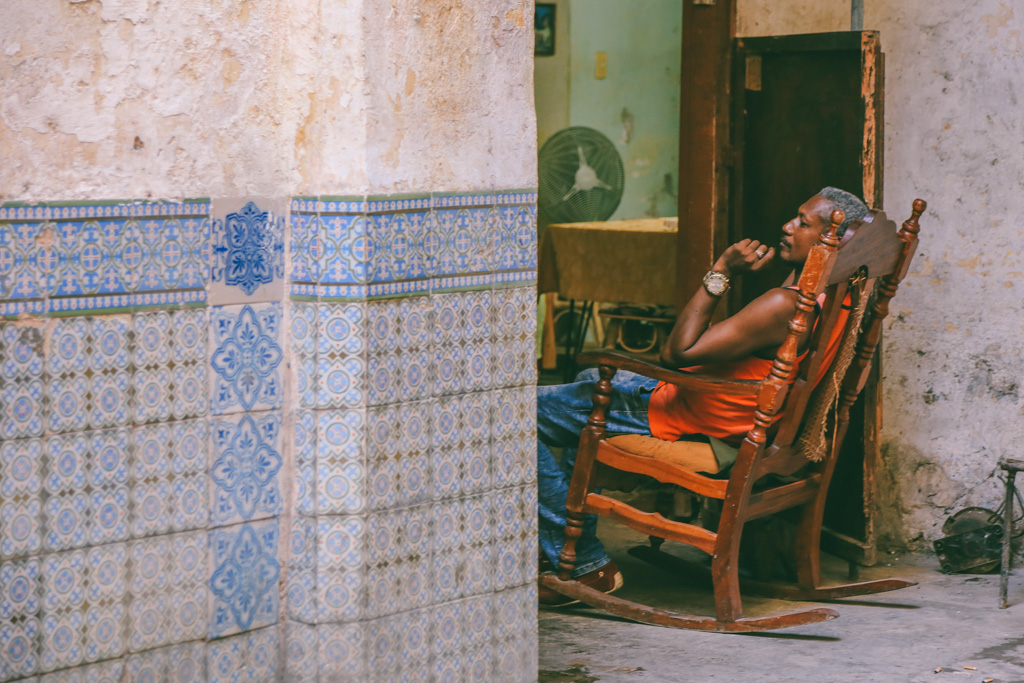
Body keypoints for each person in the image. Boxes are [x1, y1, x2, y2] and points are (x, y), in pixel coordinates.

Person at [537, 187, 869, 605]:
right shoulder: (837, 295)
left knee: (514, 414)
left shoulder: (784, 306)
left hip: (690, 414)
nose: (787, 227)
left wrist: (722, 270)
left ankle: (585, 564)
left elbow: (676, 353)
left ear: (834, 241)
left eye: (802, 223)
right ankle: (566, 543)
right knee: (586, 383)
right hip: (740, 417)